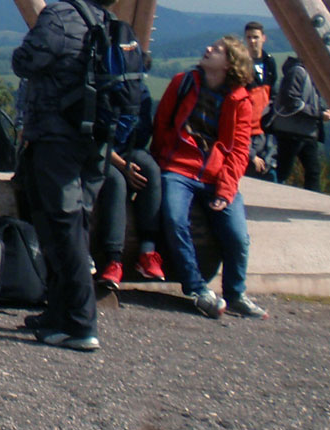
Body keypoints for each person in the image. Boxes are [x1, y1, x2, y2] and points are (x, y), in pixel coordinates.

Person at [11, 0, 128, 352]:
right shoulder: (109, 22)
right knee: (73, 224)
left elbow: (27, 61)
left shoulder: (60, 16)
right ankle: (58, 314)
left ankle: (80, 324)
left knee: (62, 228)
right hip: (94, 140)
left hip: (55, 135)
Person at [153, 36, 268, 320]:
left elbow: (239, 151)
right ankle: (197, 289)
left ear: (229, 64)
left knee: (237, 235)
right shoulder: (183, 83)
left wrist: (226, 191)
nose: (208, 49)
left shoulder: (240, 101)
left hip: (216, 174)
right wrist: (160, 163)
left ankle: (235, 294)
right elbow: (162, 124)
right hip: (178, 168)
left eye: (217, 50)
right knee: (174, 219)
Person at [91, 86, 165, 287]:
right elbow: (94, 139)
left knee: (150, 169)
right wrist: (123, 165)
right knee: (116, 181)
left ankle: (147, 252)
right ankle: (113, 260)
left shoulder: (140, 90)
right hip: (97, 153)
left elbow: (142, 135)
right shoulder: (100, 85)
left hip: (126, 151)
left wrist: (129, 159)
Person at [269, 54, 330, 192]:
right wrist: (319, 114)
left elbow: (309, 101)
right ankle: (274, 196)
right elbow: (291, 101)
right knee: (285, 171)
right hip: (292, 133)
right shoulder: (298, 72)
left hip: (305, 132)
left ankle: (310, 201)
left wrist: (322, 111)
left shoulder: (311, 73)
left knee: (312, 172)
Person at [243, 21, 277, 180]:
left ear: (264, 38)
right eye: (249, 37)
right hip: (248, 130)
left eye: (255, 37)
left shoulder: (269, 62)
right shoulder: (241, 65)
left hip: (266, 129)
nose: (252, 41)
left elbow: (273, 93)